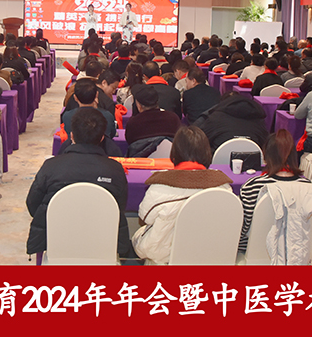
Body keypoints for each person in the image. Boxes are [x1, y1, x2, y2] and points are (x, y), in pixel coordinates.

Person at [26, 108, 130, 257]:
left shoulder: (51, 166)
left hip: (57, 244)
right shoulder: (115, 169)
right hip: (103, 247)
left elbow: (33, 204)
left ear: (72, 136)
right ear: (102, 138)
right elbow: (119, 206)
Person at [131, 125, 233, 264]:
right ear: (207, 153)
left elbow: (145, 217)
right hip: (209, 253)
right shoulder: (224, 188)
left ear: (174, 153)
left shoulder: (159, 186)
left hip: (165, 254)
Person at [237, 129, 312, 252]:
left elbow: (243, 228)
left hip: (252, 253)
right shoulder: (308, 188)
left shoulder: (252, 186)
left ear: (266, 155)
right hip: (293, 254)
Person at [194, 92, 269, 152]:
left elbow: (200, 141)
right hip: (253, 163)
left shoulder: (214, 118)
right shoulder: (258, 120)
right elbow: (265, 144)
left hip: (218, 162)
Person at [125, 84, 181, 149]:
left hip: (141, 155)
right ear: (157, 101)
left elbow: (130, 142)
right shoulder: (173, 119)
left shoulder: (133, 123)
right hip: (168, 154)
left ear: (139, 106)